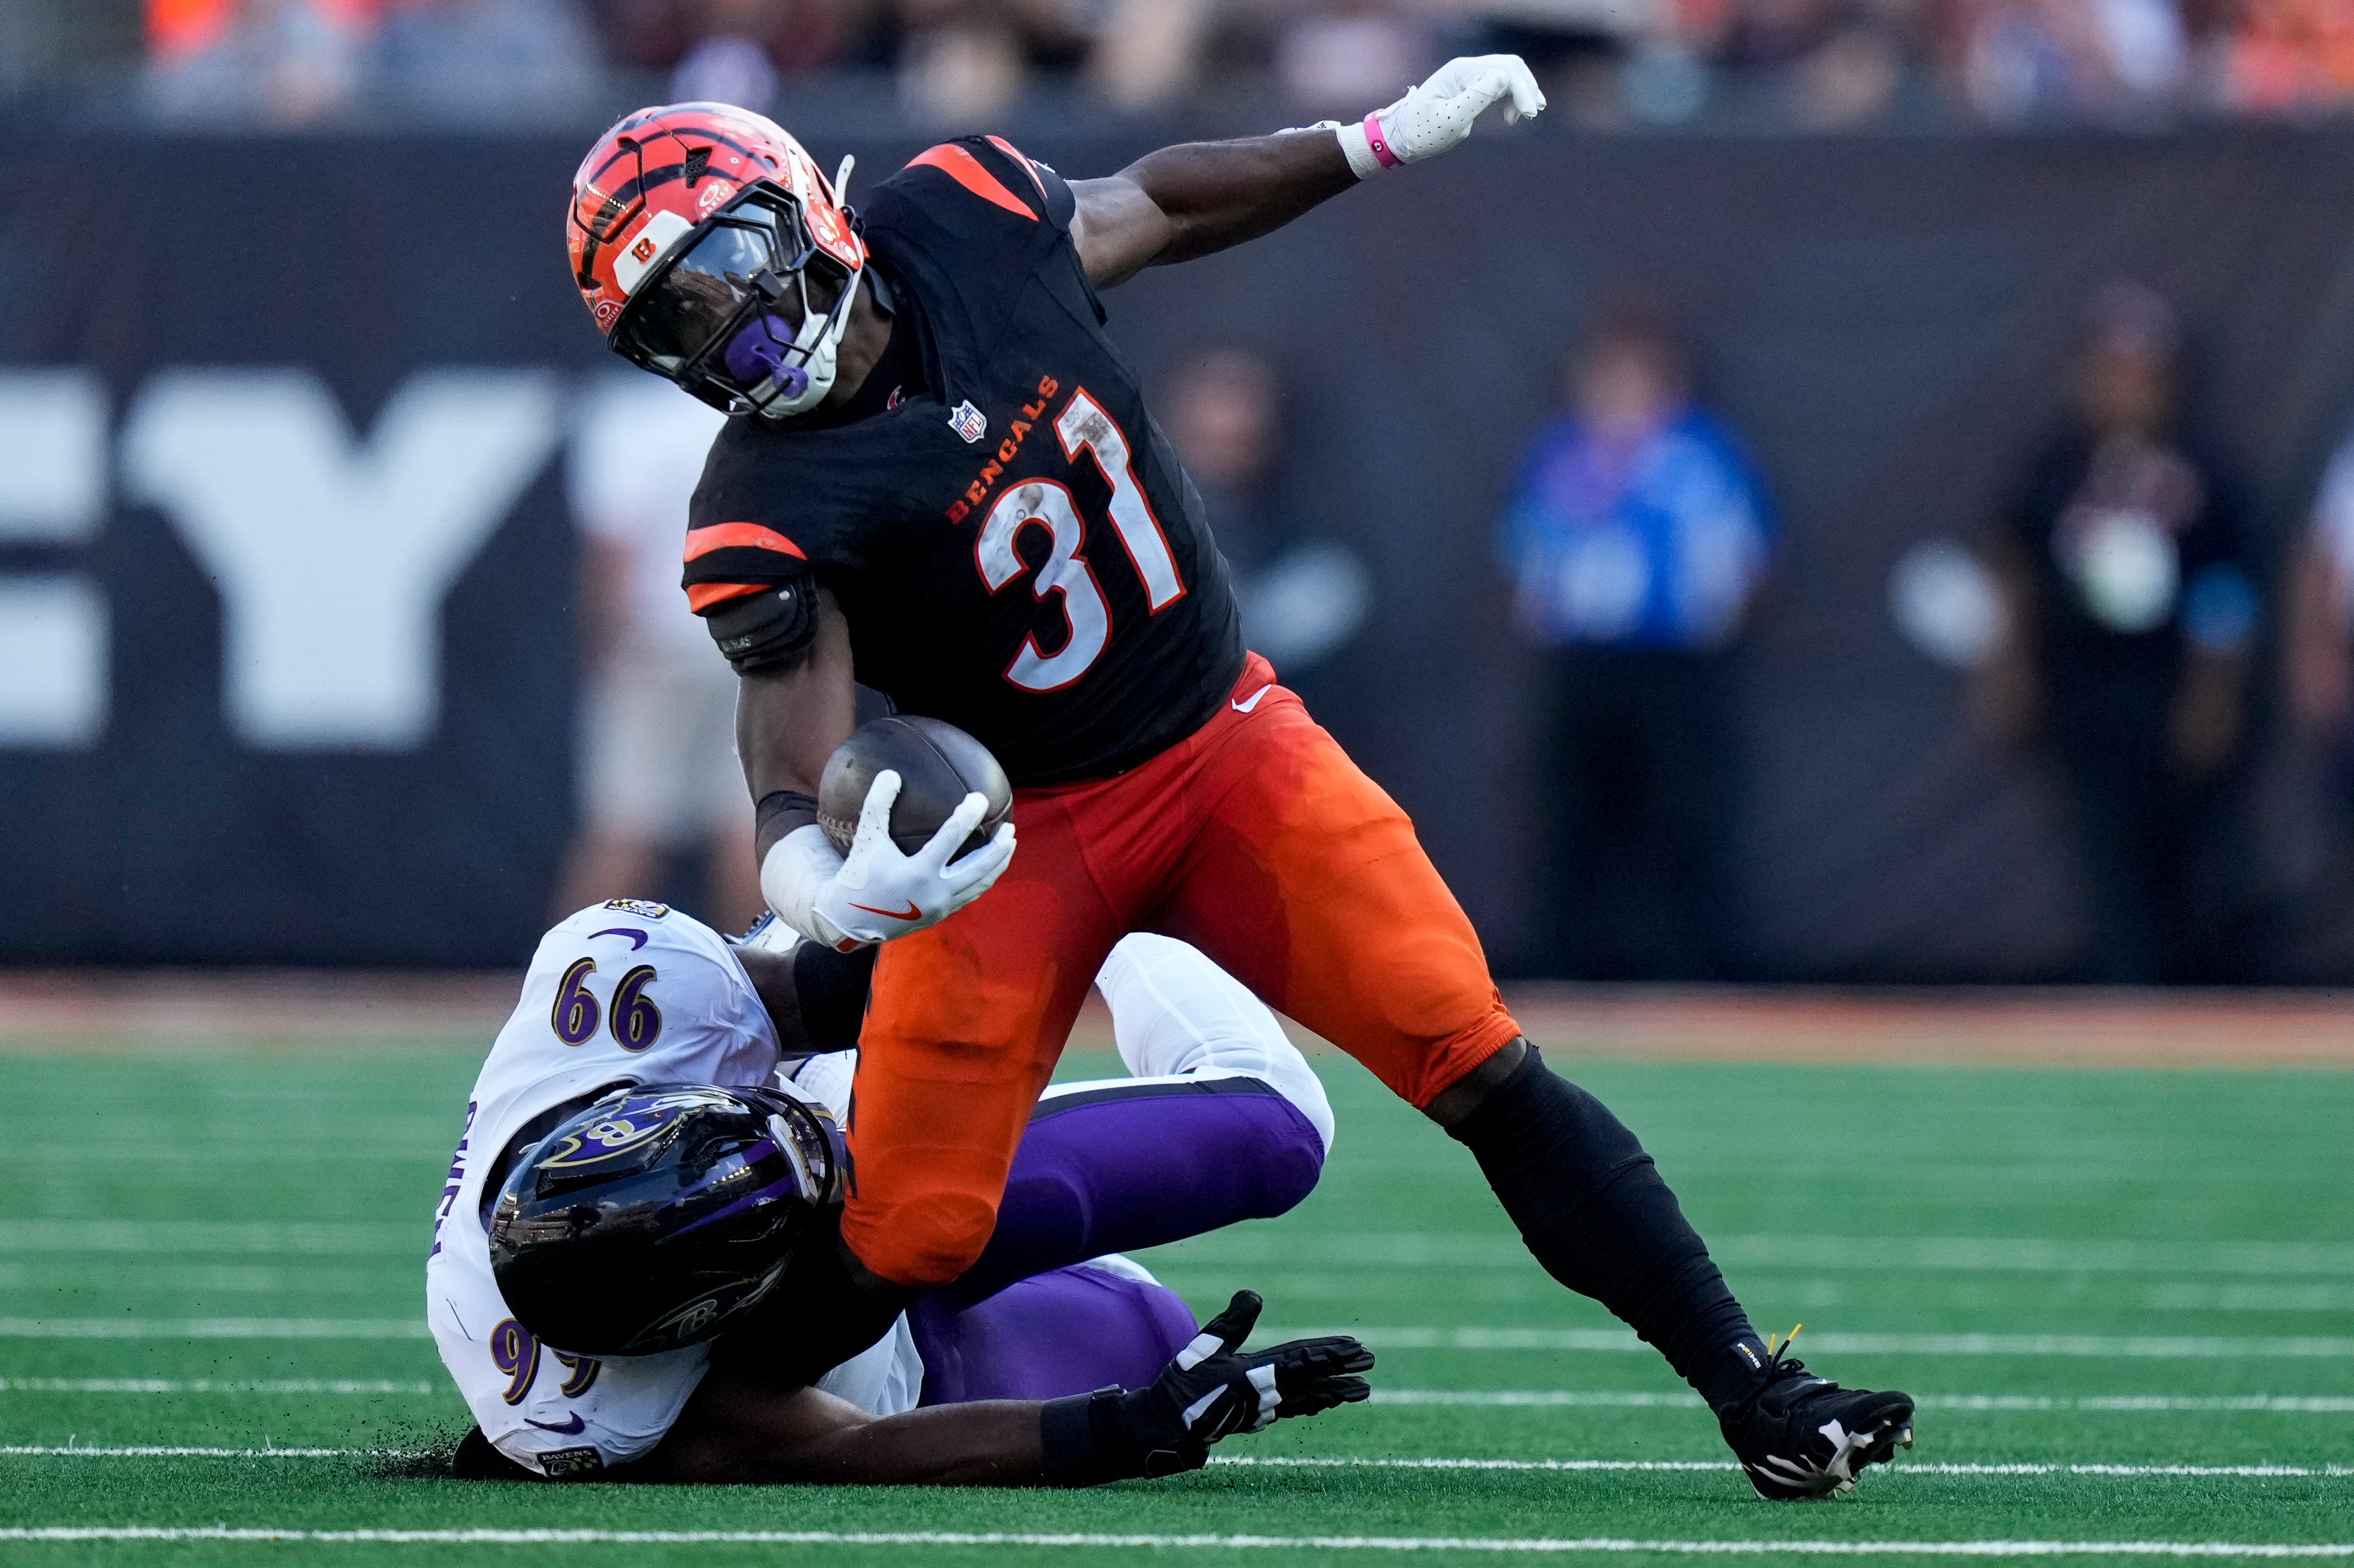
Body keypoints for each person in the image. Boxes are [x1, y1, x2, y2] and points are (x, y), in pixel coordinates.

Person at [560, 67, 1913, 1499]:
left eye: (720, 276)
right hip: (1017, 834)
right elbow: (785, 742)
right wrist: (813, 883)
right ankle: (704, 1411)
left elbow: (1151, 199)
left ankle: (1753, 1387)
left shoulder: (959, 215)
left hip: (1223, 742)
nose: (729, 334)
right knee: (913, 1224)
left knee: (1473, 1058)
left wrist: (1364, 141)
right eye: (677, 325)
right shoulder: (759, 500)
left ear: (797, 213)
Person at [429, 898, 1358, 1482]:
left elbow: (824, 991)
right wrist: (1130, 1428)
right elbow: (835, 1446)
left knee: (1276, 1130)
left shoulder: (607, 999)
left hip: (823, 1081)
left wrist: (951, 898)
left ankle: (1145, 883)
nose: (825, 1162)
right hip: (868, 1357)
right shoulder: (577, 1408)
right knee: (1150, 1329)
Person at [1975, 281, 2257, 983]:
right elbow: (2013, 562)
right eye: (2112, 370)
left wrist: (2212, 691)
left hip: (2163, 681)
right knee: (2100, 841)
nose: (2127, 388)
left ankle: (2183, 986)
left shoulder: (2204, 474)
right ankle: (2124, 983)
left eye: (2142, 373)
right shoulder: (2054, 466)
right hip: (2080, 681)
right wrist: (2006, 667)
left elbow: (2224, 591)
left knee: (2183, 844)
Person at [1495, 300, 1774, 981]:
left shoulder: (1701, 455)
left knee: (1683, 811)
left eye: (1636, 375)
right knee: (1573, 813)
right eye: (1605, 374)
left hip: (1672, 663)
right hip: (1583, 660)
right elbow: (1523, 549)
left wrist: (1715, 614)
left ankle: (1694, 967)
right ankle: (1565, 966)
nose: (1619, 390)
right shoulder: (1561, 454)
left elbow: (1745, 552)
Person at [554, 377, 763, 932]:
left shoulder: (628, 417)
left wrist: (602, 647)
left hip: (659, 644)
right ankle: (757, 991)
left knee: (627, 824)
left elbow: (613, 554)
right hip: (748, 642)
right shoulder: (748, 414)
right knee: (744, 828)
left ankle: (572, 987)